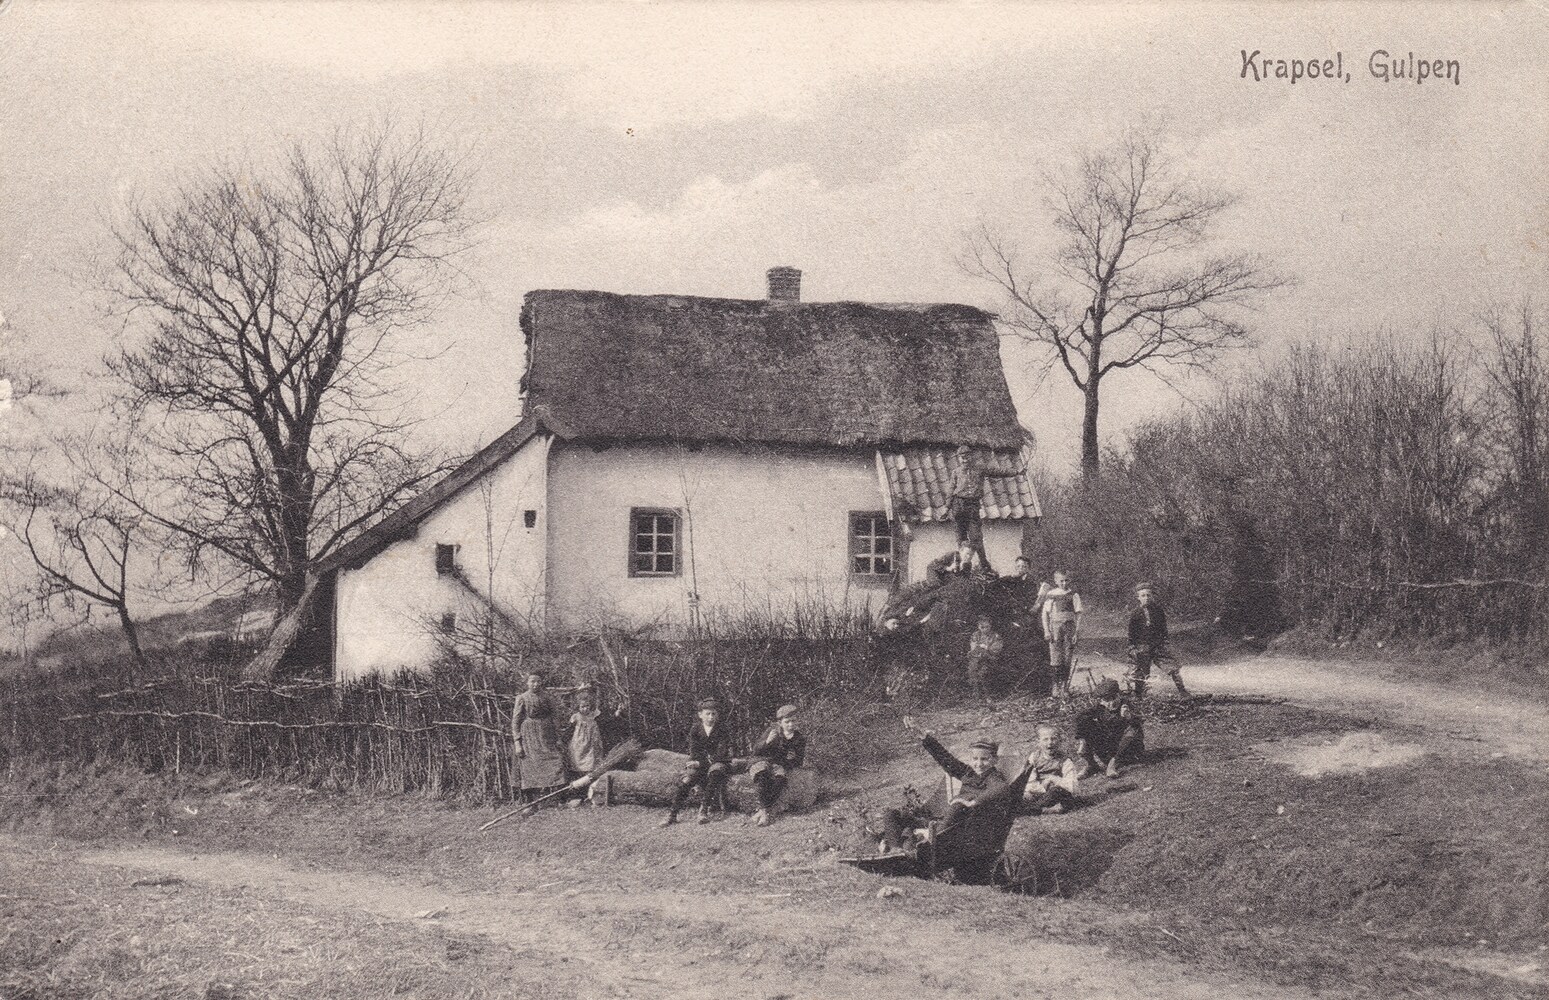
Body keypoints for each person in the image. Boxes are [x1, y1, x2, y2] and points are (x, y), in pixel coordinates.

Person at [878, 716, 1008, 855]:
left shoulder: (993, 778)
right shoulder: (968, 772)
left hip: (955, 831)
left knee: (958, 806)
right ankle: (896, 849)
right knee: (891, 814)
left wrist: (973, 802)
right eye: (975, 759)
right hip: (941, 824)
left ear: (995, 760)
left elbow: (1000, 788)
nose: (979, 764)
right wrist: (924, 737)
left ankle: (913, 840)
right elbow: (946, 759)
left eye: (985, 759)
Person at [661, 697, 734, 827]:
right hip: (699, 762)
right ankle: (672, 813)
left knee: (715, 772)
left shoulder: (723, 729)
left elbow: (721, 753)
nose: (711, 717)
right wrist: (698, 763)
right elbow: (694, 752)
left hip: (718, 762)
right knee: (688, 780)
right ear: (700, 715)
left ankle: (703, 810)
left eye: (714, 714)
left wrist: (701, 763)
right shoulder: (695, 729)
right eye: (708, 714)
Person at [1127, 582, 1189, 699]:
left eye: (1148, 595)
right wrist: (1133, 647)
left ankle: (1182, 691)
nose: (1146, 598)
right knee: (1141, 672)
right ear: (1138, 598)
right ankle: (1139, 695)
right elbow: (1132, 632)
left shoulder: (1158, 611)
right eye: (1143, 595)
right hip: (1142, 646)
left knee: (1172, 668)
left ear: (1152, 596)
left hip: (1157, 645)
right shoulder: (1135, 613)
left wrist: (1164, 641)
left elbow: (1163, 628)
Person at [749, 703, 807, 827]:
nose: (791, 725)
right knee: (762, 775)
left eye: (793, 721)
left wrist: (791, 759)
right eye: (787, 722)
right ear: (780, 722)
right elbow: (755, 750)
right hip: (761, 759)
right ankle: (765, 812)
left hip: (779, 764)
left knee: (780, 779)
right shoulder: (772, 731)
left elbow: (799, 761)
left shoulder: (799, 738)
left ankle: (763, 810)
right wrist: (767, 741)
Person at [512, 672, 567, 802]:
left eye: (538, 681)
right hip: (529, 735)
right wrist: (517, 743)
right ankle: (531, 801)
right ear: (527, 683)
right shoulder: (522, 698)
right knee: (530, 764)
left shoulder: (547, 697)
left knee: (555, 762)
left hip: (547, 734)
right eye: (532, 681)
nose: (535, 684)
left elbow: (555, 717)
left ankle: (556, 798)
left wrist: (558, 737)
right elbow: (515, 721)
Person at [1074, 678, 1144, 778]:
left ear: (1117, 696)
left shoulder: (1127, 705)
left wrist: (1128, 717)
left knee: (1132, 728)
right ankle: (1091, 765)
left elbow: (1139, 724)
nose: (1108, 703)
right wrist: (1083, 741)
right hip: (1108, 750)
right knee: (1085, 721)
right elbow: (1079, 717)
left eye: (1110, 699)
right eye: (1104, 700)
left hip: (1129, 752)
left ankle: (1113, 764)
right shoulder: (1101, 707)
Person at [949, 445, 993, 572]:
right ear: (959, 459)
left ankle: (984, 563)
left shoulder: (979, 470)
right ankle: (960, 565)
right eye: (962, 457)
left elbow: (997, 472)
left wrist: (1016, 472)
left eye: (967, 456)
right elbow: (951, 490)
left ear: (971, 456)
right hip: (958, 506)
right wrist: (947, 508)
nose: (965, 460)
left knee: (976, 537)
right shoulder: (956, 472)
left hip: (972, 506)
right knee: (960, 538)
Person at [1041, 570, 1083, 698]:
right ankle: (1055, 686)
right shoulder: (1051, 594)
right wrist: (1047, 631)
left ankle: (1064, 687)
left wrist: (1076, 632)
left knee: (1067, 657)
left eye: (1066, 580)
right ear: (1056, 581)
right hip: (1055, 628)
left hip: (1069, 628)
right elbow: (1045, 614)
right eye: (1061, 581)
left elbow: (1079, 614)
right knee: (1055, 658)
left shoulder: (1073, 595)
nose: (1064, 583)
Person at [1022, 723, 1079, 814]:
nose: (1050, 743)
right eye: (1045, 739)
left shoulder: (1064, 760)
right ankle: (1042, 809)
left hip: (1057, 794)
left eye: (1053, 739)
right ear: (1038, 741)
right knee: (1020, 795)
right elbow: (1030, 782)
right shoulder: (1034, 757)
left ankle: (1030, 810)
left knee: (1056, 791)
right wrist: (1042, 787)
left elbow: (1073, 787)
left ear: (1059, 741)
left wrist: (1054, 779)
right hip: (1039, 793)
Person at [966, 616, 1003, 700]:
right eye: (982, 627)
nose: (985, 629)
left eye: (987, 627)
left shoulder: (995, 636)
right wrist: (977, 649)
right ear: (979, 627)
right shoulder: (976, 635)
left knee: (983, 674)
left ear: (990, 626)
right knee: (972, 672)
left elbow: (996, 649)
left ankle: (988, 696)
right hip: (977, 658)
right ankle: (976, 695)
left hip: (989, 659)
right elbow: (973, 646)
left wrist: (986, 648)